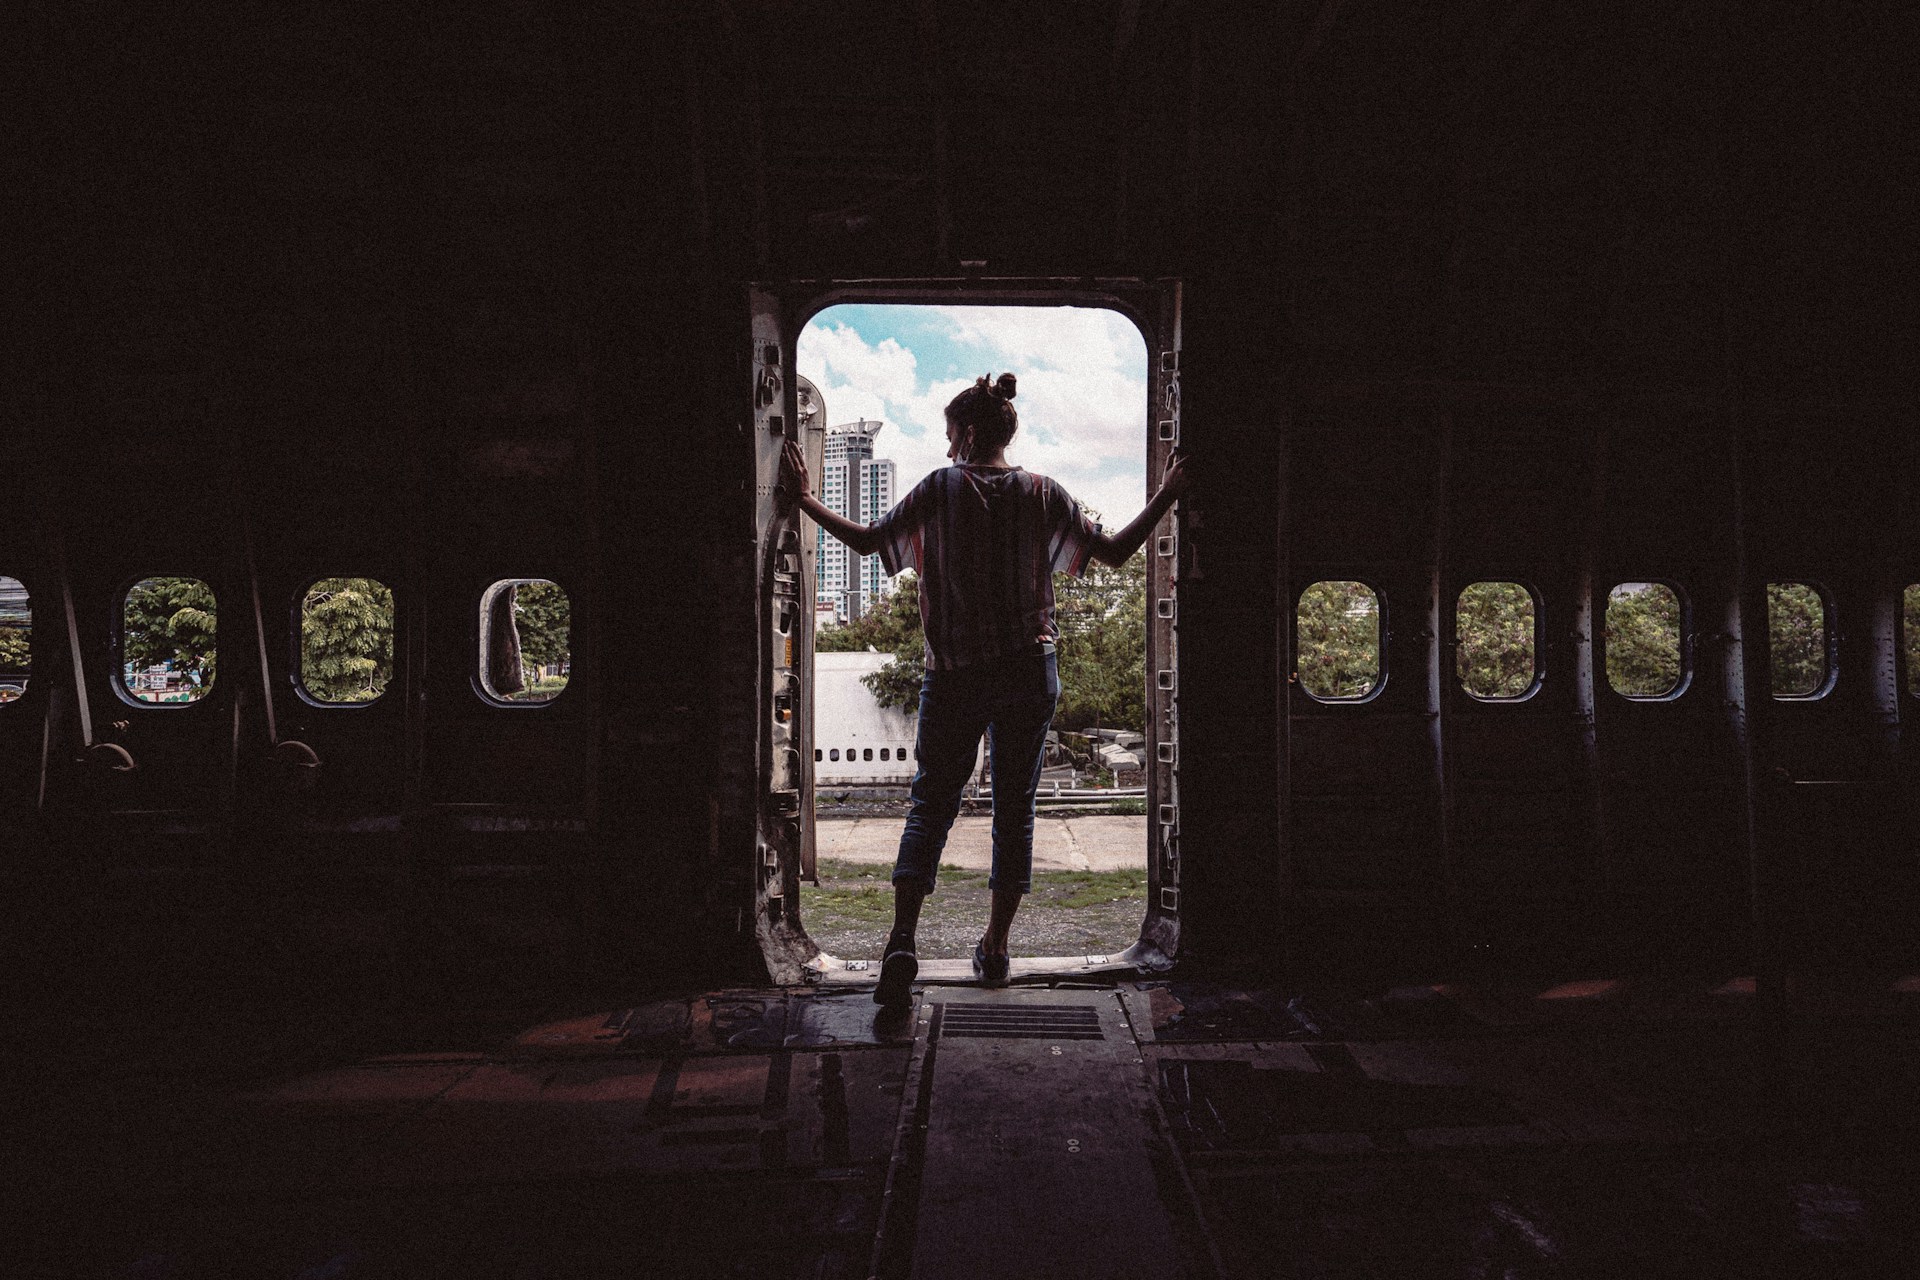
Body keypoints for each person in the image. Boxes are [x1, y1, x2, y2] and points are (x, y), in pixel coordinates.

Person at [782, 372, 1188, 1008]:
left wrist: (804, 499)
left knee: (931, 805)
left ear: (968, 434)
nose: (947, 449)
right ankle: (995, 947)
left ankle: (902, 940)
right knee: (1014, 808)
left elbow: (866, 543)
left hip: (954, 674)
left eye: (949, 436)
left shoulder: (942, 489)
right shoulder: (1043, 493)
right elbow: (1111, 554)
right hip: (1030, 670)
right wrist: (1167, 494)